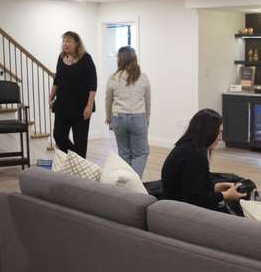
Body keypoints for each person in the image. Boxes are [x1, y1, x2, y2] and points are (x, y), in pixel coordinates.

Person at [161, 109, 246, 212]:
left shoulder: (185, 146)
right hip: (183, 212)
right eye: (218, 133)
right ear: (208, 132)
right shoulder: (196, 156)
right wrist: (225, 195)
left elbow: (192, 185)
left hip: (173, 204)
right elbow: (193, 198)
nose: (220, 138)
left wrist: (217, 187)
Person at [104, 46, 151, 177]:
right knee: (141, 153)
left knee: (124, 153)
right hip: (138, 117)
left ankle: (128, 185)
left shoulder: (113, 77)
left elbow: (108, 99)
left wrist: (108, 117)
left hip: (118, 118)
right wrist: (147, 118)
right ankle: (134, 182)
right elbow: (148, 101)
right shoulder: (143, 77)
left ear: (120, 60)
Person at [50, 31, 96, 158]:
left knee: (80, 141)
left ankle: (80, 167)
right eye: (64, 41)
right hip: (62, 105)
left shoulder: (86, 58)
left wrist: (89, 105)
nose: (65, 43)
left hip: (81, 107)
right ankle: (76, 157)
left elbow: (93, 84)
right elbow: (57, 79)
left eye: (69, 41)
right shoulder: (61, 57)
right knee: (58, 135)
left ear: (76, 43)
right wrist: (51, 95)